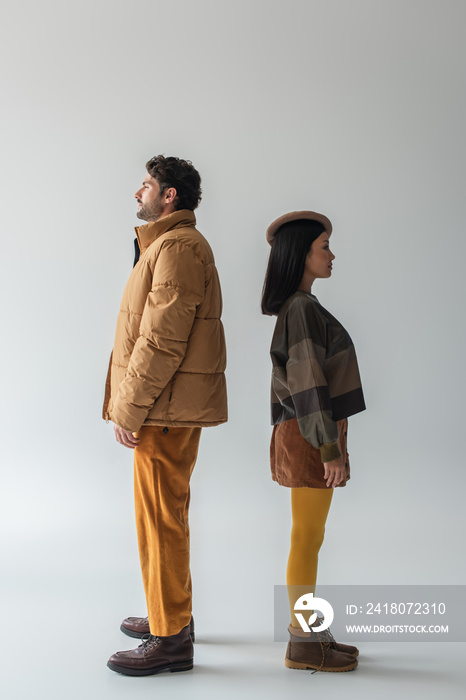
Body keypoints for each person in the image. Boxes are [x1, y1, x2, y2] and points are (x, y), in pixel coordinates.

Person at [102, 155, 227, 676]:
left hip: (161, 409)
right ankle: (169, 613)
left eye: (148, 185)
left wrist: (127, 408)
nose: (139, 193)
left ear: (170, 195)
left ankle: (172, 638)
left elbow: (161, 340)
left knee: (160, 521)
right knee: (161, 516)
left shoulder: (177, 248)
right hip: (165, 406)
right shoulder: (167, 245)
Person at [261, 211, 366, 673]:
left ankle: (309, 632)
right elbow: (307, 383)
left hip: (309, 430)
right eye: (324, 246)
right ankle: (303, 641)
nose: (332, 254)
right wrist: (330, 450)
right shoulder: (301, 309)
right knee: (306, 538)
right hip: (309, 434)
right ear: (300, 254)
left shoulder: (303, 305)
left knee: (310, 536)